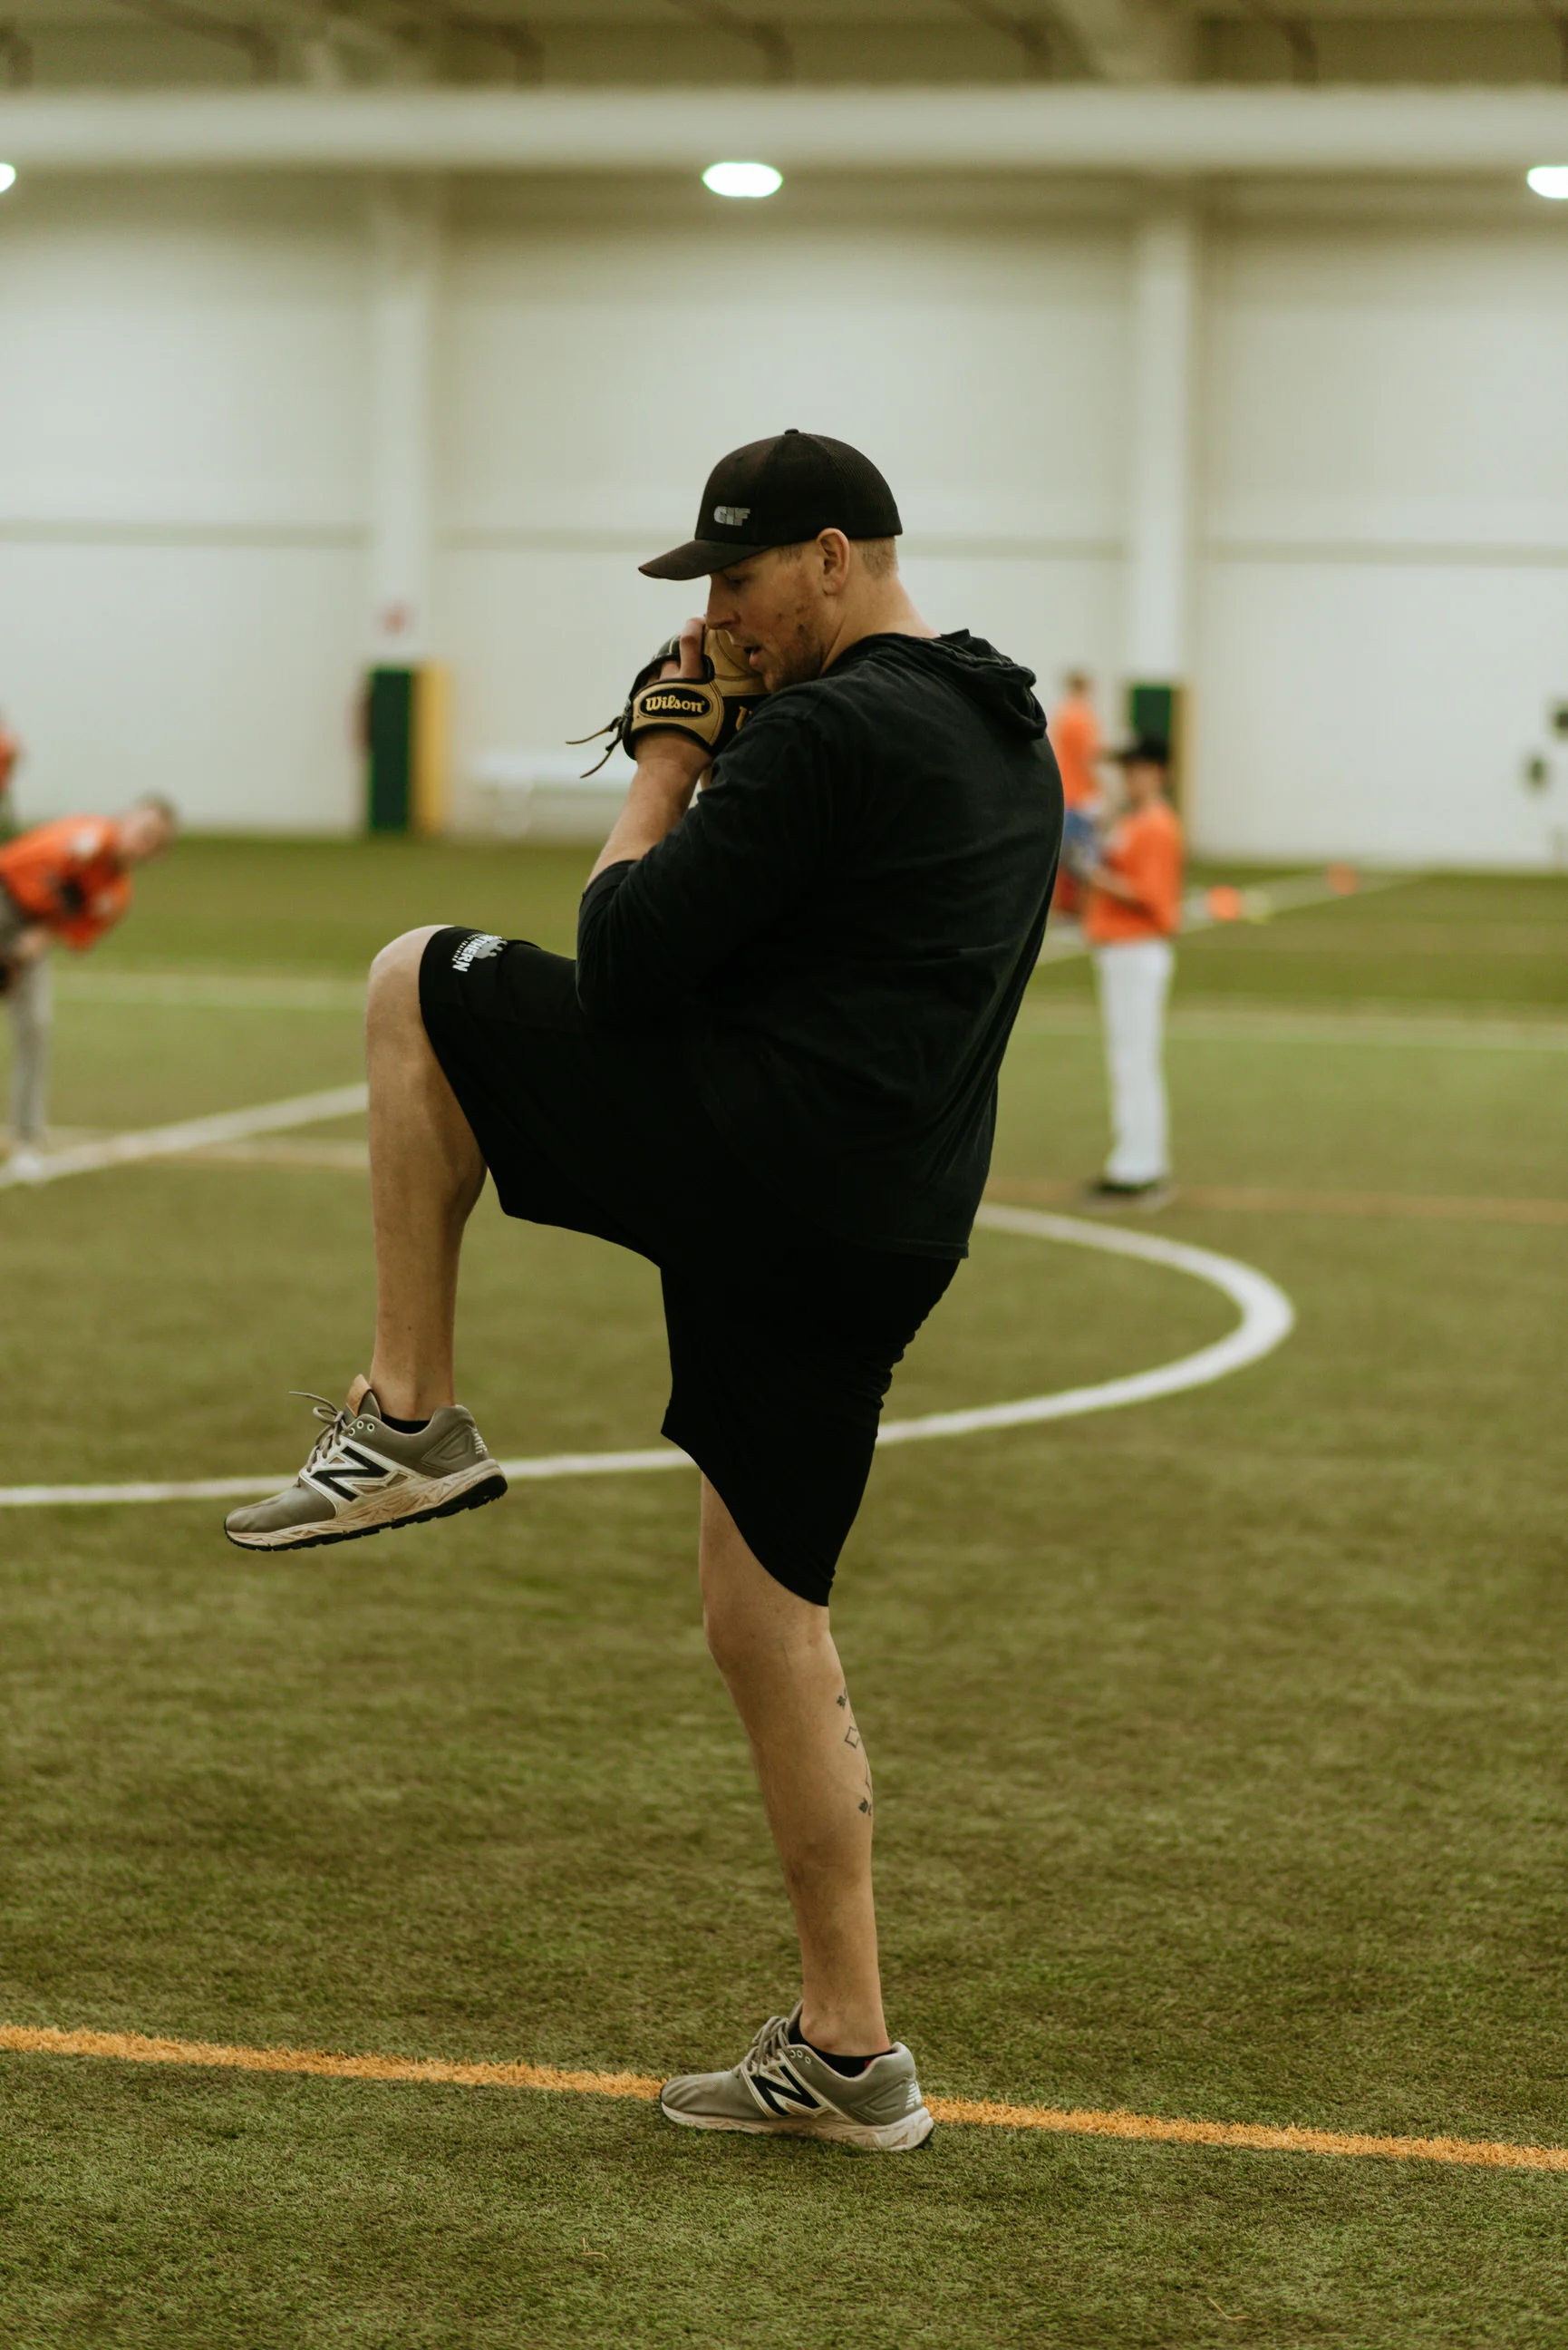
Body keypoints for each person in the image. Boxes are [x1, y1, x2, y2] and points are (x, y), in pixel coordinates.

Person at [225, 429, 1062, 2151]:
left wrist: (672, 763)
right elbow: (816, 935)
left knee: (417, 975)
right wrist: (742, 745)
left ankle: (408, 1417)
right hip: (885, 1227)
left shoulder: (820, 734)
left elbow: (619, 962)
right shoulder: (1003, 726)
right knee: (765, 1618)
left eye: (740, 581)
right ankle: (851, 2054)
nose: (723, 620)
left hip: (761, 1165)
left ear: (832, 557)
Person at [0, 798, 179, 1178]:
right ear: (125, 819)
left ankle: (28, 1142)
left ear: (157, 855)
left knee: (36, 1028)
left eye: (153, 840)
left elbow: (73, 935)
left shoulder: (114, 899)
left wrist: (29, 947)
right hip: (4, 896)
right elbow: (34, 868)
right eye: (141, 828)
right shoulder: (87, 837)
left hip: (31, 930)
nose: (140, 840)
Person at [1079, 735, 1183, 1209]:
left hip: (1137, 950)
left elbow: (1150, 895)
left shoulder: (1156, 824)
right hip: (1121, 950)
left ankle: (1141, 1167)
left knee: (1136, 1061)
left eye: (1137, 768)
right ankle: (1132, 1160)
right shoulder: (1133, 820)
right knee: (1127, 1061)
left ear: (1157, 772)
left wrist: (1094, 875)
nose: (1128, 777)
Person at [1046, 668, 1102, 920]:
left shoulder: (1062, 713)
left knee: (1062, 856)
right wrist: (1102, 789)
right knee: (1084, 857)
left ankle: (1059, 907)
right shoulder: (1083, 717)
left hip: (1065, 792)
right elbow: (1089, 758)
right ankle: (1081, 909)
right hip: (1081, 796)